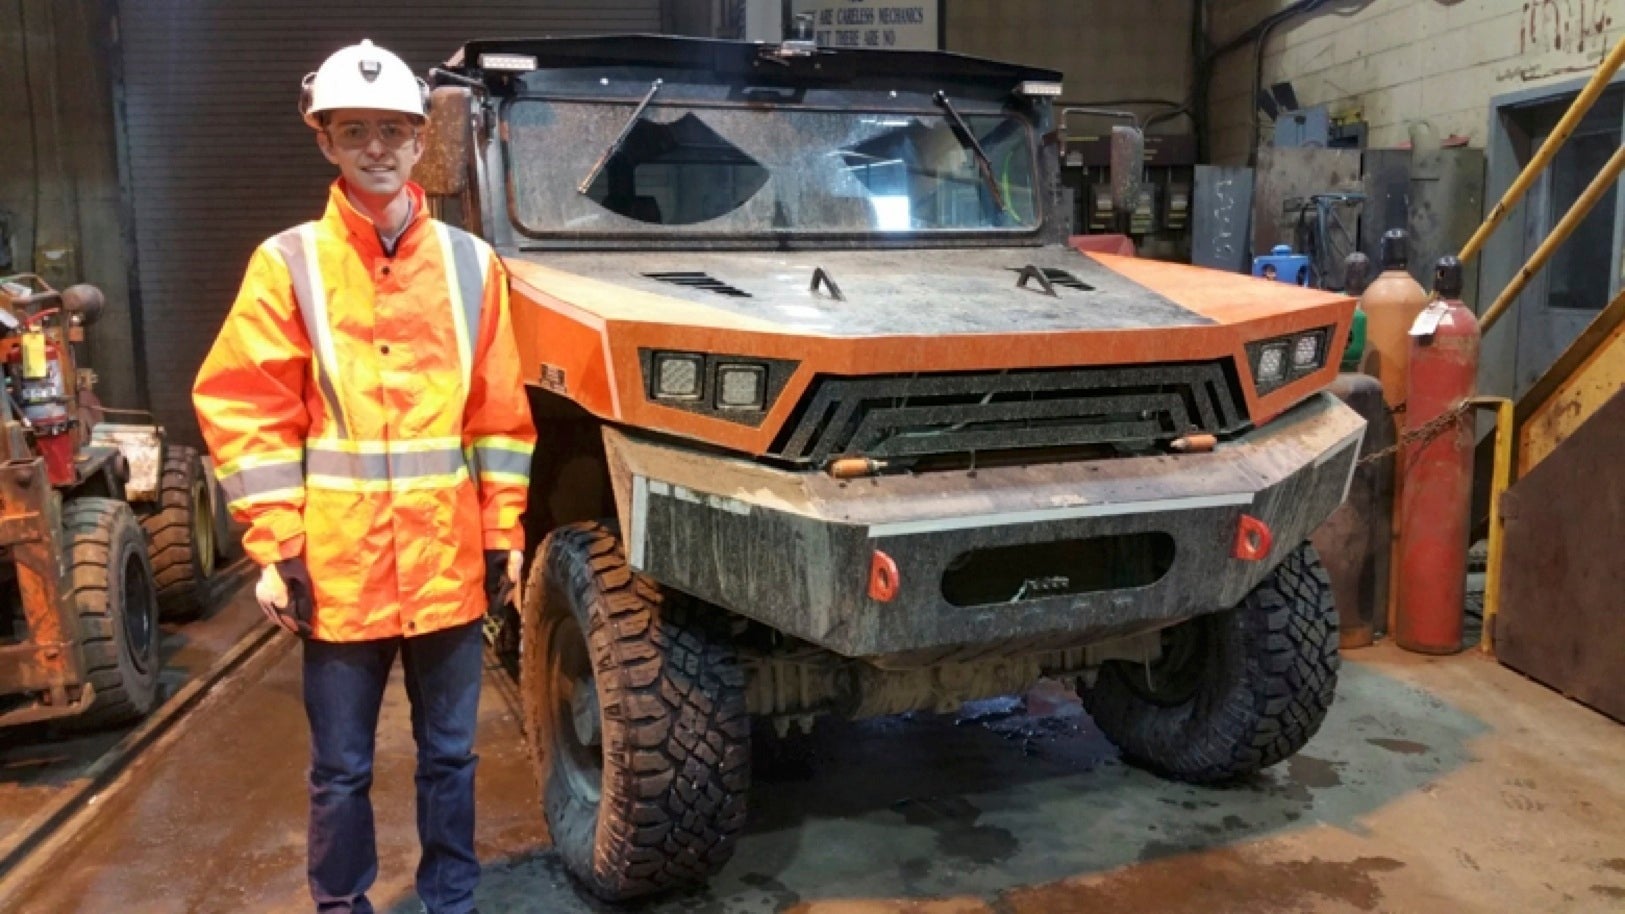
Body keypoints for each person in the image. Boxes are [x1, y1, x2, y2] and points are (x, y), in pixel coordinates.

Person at [192, 38, 535, 914]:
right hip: (338, 573)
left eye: (393, 130)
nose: (376, 148)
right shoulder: (290, 263)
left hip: (447, 565)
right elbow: (246, 407)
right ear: (325, 143)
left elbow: (498, 418)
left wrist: (503, 537)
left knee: (452, 758)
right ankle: (340, 907)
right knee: (340, 769)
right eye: (355, 132)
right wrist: (275, 549)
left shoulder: (471, 266)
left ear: (423, 141)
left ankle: (449, 902)